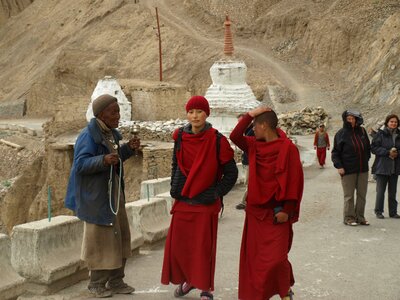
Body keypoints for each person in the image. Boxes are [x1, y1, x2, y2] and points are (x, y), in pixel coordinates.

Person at [161, 95, 238, 300]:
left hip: (205, 203)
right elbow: (175, 164)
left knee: (203, 248)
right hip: (183, 202)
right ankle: (189, 282)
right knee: (181, 248)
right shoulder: (179, 137)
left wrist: (216, 192)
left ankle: (206, 288)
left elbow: (231, 173)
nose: (195, 116)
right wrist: (174, 186)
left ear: (207, 114)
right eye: (191, 112)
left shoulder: (217, 140)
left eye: (199, 112)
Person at [65, 94, 140, 298]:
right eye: (113, 111)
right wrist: (103, 160)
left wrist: (128, 150)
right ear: (101, 114)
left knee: (120, 236)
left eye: (118, 111)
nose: (118, 115)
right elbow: (79, 165)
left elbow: (114, 159)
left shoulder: (111, 134)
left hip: (113, 193)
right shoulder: (87, 136)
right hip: (96, 198)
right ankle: (96, 283)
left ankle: (117, 280)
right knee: (99, 241)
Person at [230, 106, 303, 300]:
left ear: (264, 125)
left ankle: (283, 288)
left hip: (277, 212)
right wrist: (249, 115)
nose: (252, 129)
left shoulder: (288, 149)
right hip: (256, 213)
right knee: (256, 262)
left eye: (254, 125)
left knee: (277, 259)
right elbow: (235, 136)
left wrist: (287, 210)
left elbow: (295, 181)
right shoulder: (254, 146)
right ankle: (262, 294)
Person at [331, 109, 371, 226]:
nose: (351, 121)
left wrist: (366, 159)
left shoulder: (362, 132)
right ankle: (349, 218)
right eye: (349, 118)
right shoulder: (341, 134)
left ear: (357, 119)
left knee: (362, 195)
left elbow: (367, 148)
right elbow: (335, 153)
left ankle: (360, 217)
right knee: (349, 196)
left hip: (363, 169)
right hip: (348, 170)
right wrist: (339, 166)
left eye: (353, 118)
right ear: (345, 119)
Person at [371, 114, 400, 219]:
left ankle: (393, 212)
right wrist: (387, 152)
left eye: (395, 122)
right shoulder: (380, 134)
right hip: (381, 167)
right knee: (380, 191)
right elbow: (373, 148)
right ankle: (378, 211)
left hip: (394, 167)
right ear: (387, 122)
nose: (393, 123)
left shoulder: (399, 135)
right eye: (391, 121)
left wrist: (397, 153)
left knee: (393, 191)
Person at [235, 113, 254, 210]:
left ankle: (245, 202)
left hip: (251, 162)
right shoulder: (247, 131)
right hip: (247, 161)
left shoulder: (251, 132)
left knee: (249, 183)